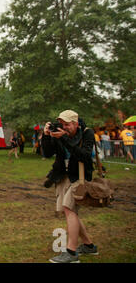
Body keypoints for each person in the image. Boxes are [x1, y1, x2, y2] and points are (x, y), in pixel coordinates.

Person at [41, 110, 98, 263]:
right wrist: (46, 136)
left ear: (76, 123)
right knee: (69, 212)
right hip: (62, 176)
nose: (64, 127)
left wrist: (64, 138)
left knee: (69, 209)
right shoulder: (58, 133)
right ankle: (89, 246)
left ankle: (71, 253)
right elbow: (46, 153)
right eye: (62, 124)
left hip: (79, 176)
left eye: (67, 124)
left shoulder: (87, 133)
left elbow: (84, 156)